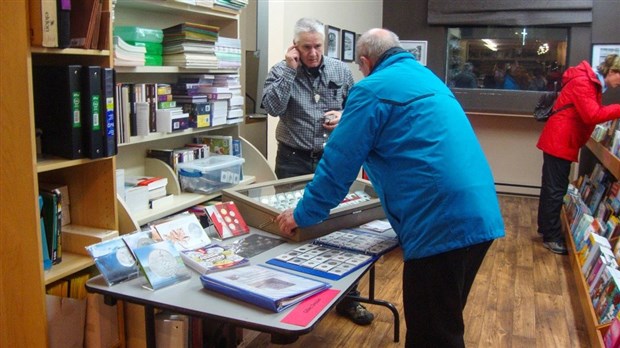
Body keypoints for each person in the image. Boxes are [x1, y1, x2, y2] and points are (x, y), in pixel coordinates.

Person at [275, 28, 505, 347]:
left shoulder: (371, 89)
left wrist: (303, 214)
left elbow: (337, 167)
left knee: (432, 333)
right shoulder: (427, 78)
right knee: (446, 318)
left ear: (366, 62)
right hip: (479, 213)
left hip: (439, 223)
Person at [261, 18, 373, 326]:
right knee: (289, 226)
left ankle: (348, 299)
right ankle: (290, 300)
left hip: (331, 161)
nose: (313, 53)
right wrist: (288, 69)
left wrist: (344, 115)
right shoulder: (282, 70)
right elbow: (270, 107)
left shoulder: (340, 70)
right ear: (295, 46)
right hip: (292, 159)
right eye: (306, 47)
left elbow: (359, 108)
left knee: (340, 228)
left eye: (317, 46)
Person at [536, 54, 620, 254]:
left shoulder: (589, 82)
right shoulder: (585, 82)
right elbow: (592, 114)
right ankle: (551, 237)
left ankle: (546, 229)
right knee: (555, 189)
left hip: (561, 141)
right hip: (560, 142)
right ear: (612, 71)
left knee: (552, 187)